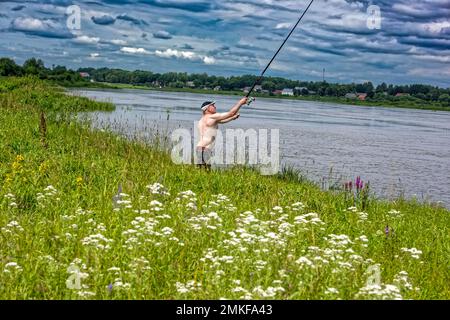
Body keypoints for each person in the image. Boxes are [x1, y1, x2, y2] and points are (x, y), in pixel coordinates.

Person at [196, 97, 248, 169]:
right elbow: (231, 113)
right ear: (207, 108)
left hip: (199, 147)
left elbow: (222, 121)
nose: (215, 107)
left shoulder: (203, 119)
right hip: (206, 149)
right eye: (213, 105)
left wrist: (232, 118)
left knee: (200, 171)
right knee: (206, 172)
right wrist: (240, 103)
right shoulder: (212, 117)